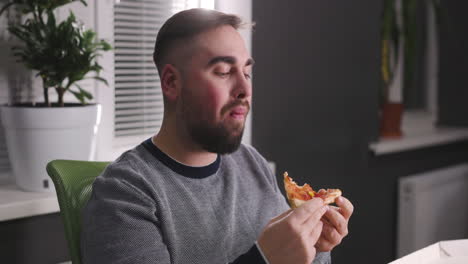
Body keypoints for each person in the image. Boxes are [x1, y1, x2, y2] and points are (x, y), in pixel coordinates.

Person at [81, 8, 354, 264]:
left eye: (247, 72)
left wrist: (315, 248)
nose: (244, 89)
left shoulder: (252, 163)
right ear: (171, 83)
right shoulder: (124, 195)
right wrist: (264, 259)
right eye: (223, 72)